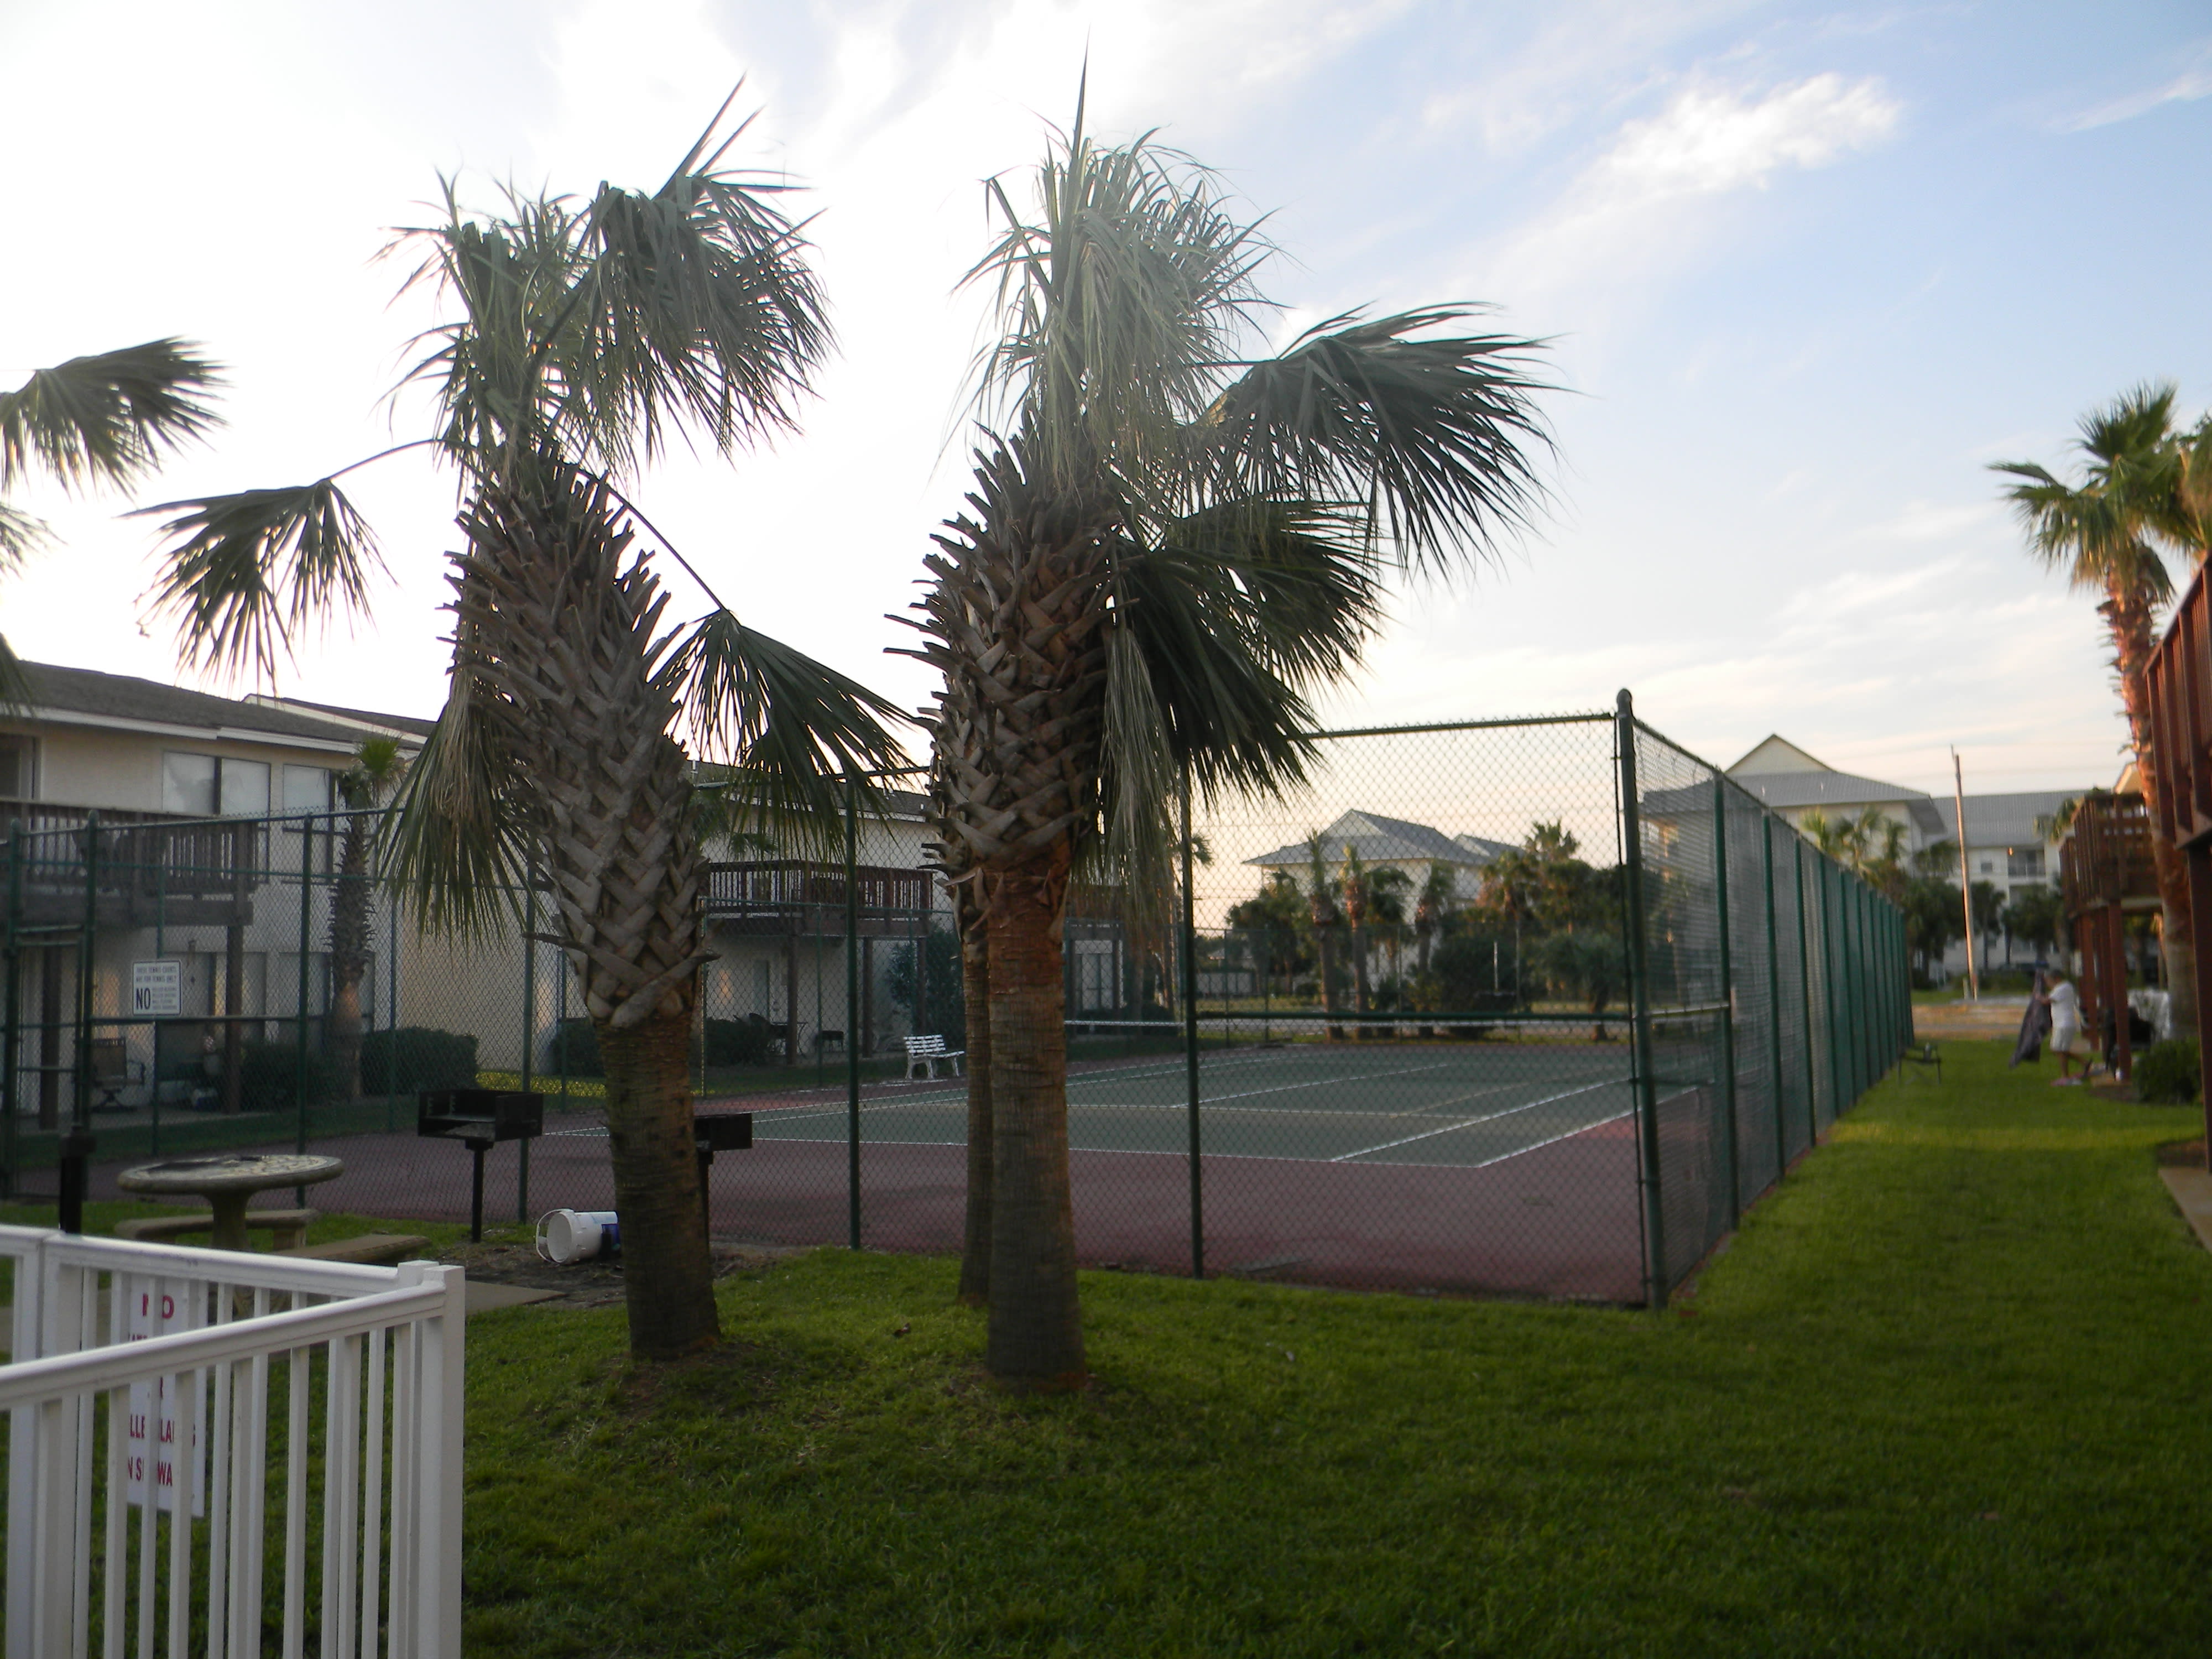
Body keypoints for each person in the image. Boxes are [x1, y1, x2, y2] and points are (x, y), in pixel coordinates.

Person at [2043, 967, 2087, 1085]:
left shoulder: (2063, 988)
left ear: (2057, 979)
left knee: (2059, 1050)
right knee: (2058, 1049)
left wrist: (2037, 997)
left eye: (2049, 981)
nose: (2048, 984)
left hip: (2064, 1023)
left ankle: (2065, 1076)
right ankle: (2084, 1063)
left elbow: (2047, 1001)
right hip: (2061, 1023)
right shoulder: (2062, 988)